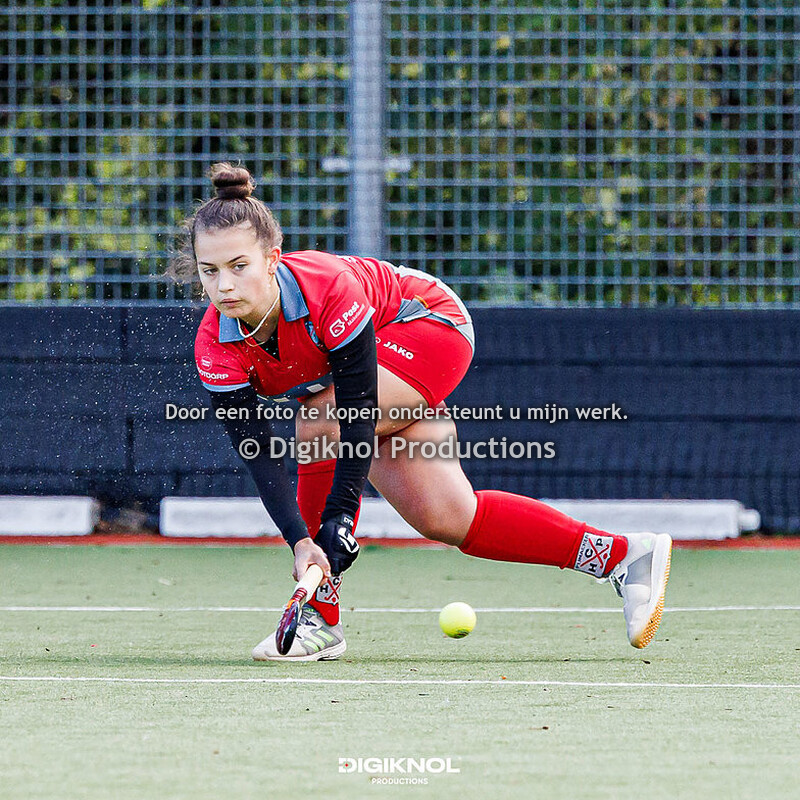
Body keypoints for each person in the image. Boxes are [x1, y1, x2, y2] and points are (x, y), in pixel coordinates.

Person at [173, 162, 672, 661]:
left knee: (320, 420)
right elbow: (258, 454)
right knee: (447, 516)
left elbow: (356, 409)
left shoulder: (326, 290)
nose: (225, 287)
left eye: (240, 266)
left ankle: (320, 620)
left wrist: (341, 517)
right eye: (209, 271)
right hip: (373, 380)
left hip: (429, 324)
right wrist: (301, 541)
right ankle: (625, 557)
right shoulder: (216, 347)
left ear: (272, 259)